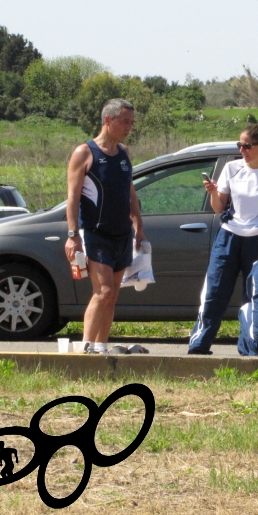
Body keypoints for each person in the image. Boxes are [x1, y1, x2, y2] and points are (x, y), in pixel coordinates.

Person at [189, 122, 258, 355]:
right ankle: (199, 346)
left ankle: (249, 349)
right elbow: (218, 208)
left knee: (254, 296)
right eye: (239, 145)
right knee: (214, 292)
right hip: (229, 236)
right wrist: (214, 192)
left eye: (247, 146)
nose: (242, 150)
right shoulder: (231, 168)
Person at [66, 99, 145, 355]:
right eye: (125, 121)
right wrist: (72, 235)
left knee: (113, 295)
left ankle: (101, 348)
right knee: (103, 291)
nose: (129, 127)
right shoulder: (84, 153)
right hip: (96, 233)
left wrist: (138, 224)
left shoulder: (124, 152)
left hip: (122, 232)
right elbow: (73, 197)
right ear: (108, 120)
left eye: (132, 122)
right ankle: (85, 348)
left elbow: (129, 191)